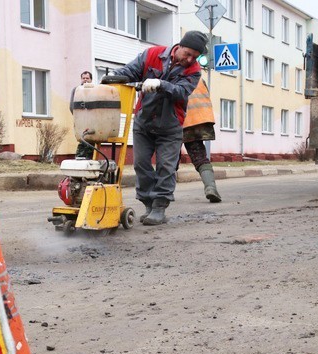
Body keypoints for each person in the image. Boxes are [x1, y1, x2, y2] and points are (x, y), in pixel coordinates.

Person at [107, 31, 205, 225]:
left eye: (195, 56)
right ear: (179, 46)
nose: (190, 59)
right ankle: (148, 204)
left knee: (166, 167)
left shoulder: (194, 71)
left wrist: (161, 84)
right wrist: (111, 77)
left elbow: (180, 92)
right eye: (188, 53)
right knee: (141, 164)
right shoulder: (152, 55)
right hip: (143, 122)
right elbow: (130, 71)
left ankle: (160, 207)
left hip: (170, 127)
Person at [182, 78, 221, 203]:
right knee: (199, 157)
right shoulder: (198, 77)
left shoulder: (171, 74)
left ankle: (165, 193)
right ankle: (211, 188)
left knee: (170, 158)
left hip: (179, 121)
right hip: (200, 120)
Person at [71, 71, 95, 159]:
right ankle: (80, 157)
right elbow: (71, 106)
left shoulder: (95, 90)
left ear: (91, 79)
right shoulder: (76, 90)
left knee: (91, 139)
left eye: (87, 78)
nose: (85, 80)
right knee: (82, 139)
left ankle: (90, 158)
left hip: (92, 120)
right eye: (83, 78)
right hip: (80, 119)